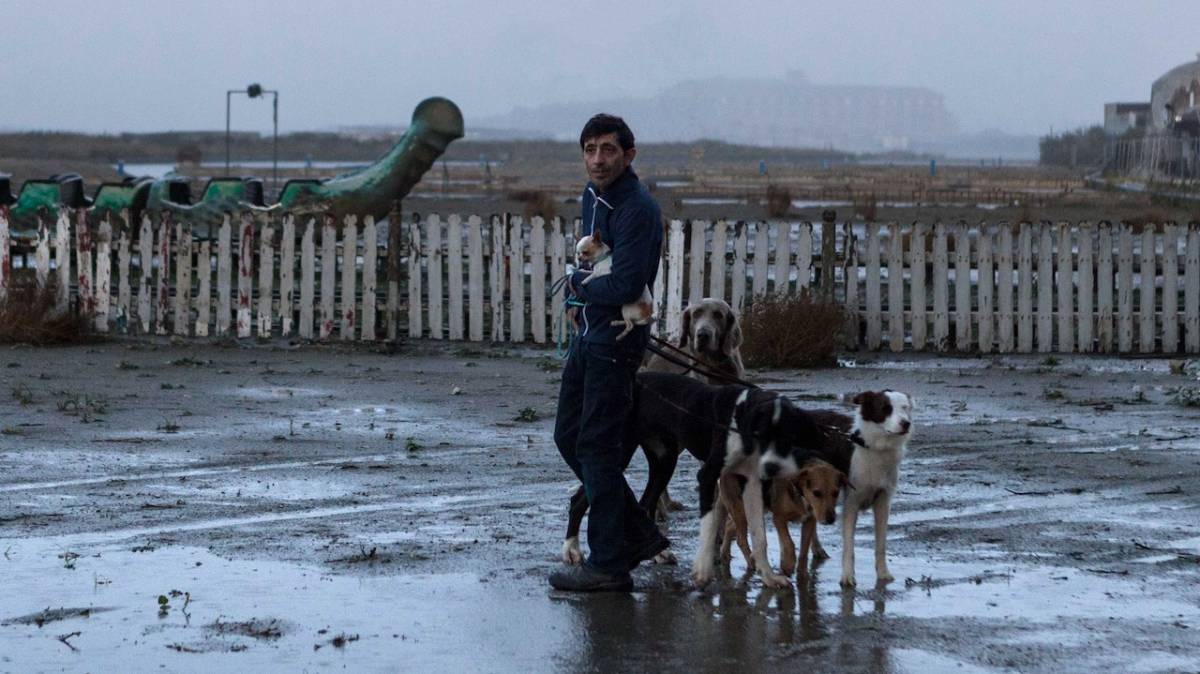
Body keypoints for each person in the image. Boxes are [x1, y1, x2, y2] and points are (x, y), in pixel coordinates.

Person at [549, 114, 667, 592]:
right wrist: (580, 300)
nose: (597, 160)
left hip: (616, 343)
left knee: (596, 446)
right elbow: (593, 260)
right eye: (590, 149)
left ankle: (609, 564)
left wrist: (576, 285)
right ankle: (636, 532)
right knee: (567, 436)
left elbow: (624, 283)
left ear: (629, 155)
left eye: (608, 150)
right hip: (588, 334)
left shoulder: (637, 208)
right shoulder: (592, 197)